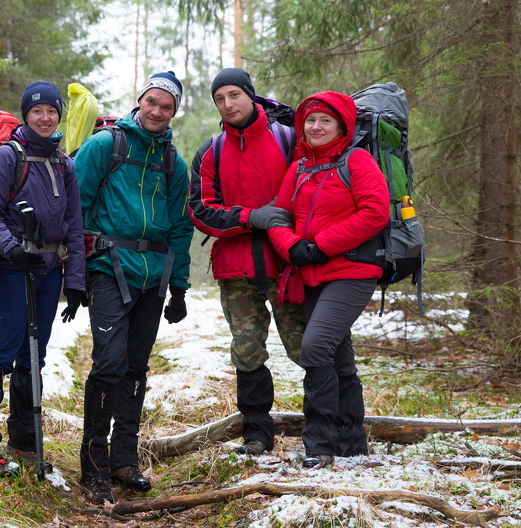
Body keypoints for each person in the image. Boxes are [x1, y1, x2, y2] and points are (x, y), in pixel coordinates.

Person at [73, 71, 193, 503]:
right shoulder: (106, 145)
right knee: (109, 364)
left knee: (136, 369)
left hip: (153, 276)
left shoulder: (172, 162)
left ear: (173, 112)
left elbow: (180, 226)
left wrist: (178, 286)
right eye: (153, 102)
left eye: (167, 106)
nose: (158, 112)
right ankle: (93, 464)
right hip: (109, 268)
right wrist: (77, 274)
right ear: (139, 101)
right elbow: (76, 207)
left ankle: (124, 460)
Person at [0, 81, 85, 477]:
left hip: (50, 274)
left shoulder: (64, 164)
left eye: (52, 111)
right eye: (37, 112)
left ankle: (25, 442)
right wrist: (13, 250)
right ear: (26, 115)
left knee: (33, 359)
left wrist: (77, 283)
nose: (45, 118)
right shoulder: (7, 157)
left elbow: (73, 226)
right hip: (12, 270)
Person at [188, 68, 307, 457]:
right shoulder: (211, 151)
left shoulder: (287, 138)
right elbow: (201, 210)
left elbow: (313, 190)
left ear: (251, 96)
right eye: (220, 98)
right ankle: (257, 434)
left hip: (288, 262)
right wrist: (249, 217)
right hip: (236, 269)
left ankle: (327, 428)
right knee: (247, 351)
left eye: (234, 94)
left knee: (308, 348)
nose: (228, 104)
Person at [268, 91, 389, 469]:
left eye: (325, 121)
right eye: (310, 121)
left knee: (315, 346)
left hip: (352, 271)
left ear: (341, 126)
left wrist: (320, 245)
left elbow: (375, 212)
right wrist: (292, 248)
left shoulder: (358, 160)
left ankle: (319, 444)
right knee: (338, 356)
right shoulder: (300, 167)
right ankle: (352, 442)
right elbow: (278, 217)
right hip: (312, 272)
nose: (316, 127)